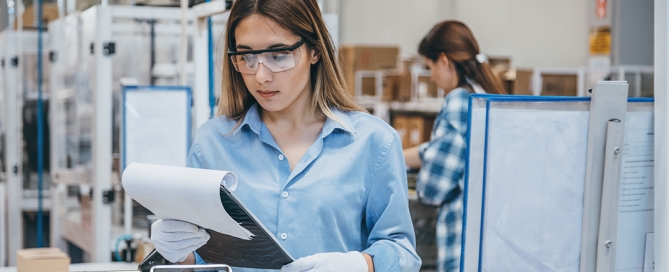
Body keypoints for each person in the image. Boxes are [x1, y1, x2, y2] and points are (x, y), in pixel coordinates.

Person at [149, 0, 422, 271]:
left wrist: (362, 265)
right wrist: (179, 252)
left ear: (315, 50)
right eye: (247, 57)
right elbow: (203, 258)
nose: (261, 76)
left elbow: (402, 252)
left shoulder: (373, 142)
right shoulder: (213, 142)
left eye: (278, 55)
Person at [403, 21, 506, 272]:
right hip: (492, 243)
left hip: (461, 245)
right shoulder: (485, 96)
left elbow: (432, 189)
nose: (432, 77)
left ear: (444, 60)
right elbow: (455, 150)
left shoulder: (459, 101)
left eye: (430, 67)